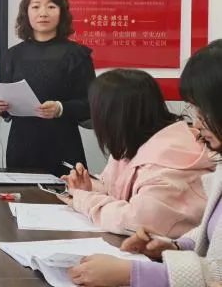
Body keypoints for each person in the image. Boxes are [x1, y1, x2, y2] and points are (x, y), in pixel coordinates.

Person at [67, 39, 222, 287]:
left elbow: (217, 274)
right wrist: (175, 246)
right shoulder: (131, 148)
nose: (196, 123)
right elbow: (211, 237)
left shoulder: (171, 155)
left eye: (203, 110)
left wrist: (133, 274)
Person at [60, 69, 214, 238]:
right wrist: (89, 187)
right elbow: (115, 188)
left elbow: (136, 221)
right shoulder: (132, 145)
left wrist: (84, 199)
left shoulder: (171, 159)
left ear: (112, 117)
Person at [0, 0, 95, 176]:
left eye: (51, 6)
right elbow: (8, 107)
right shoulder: (13, 55)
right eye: (36, 6)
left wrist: (60, 108)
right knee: (21, 194)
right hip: (21, 147)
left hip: (63, 145)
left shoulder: (77, 55)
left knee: (67, 194)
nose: (43, 13)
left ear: (62, 13)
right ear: (26, 13)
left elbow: (91, 104)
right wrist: (0, 107)